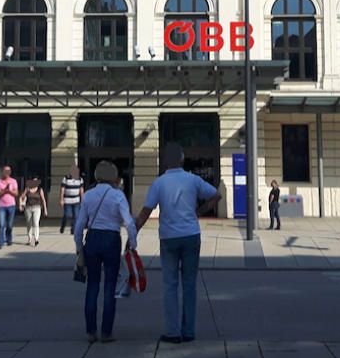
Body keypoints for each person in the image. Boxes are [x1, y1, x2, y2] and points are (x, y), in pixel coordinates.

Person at [135, 143, 222, 345]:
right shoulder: (193, 179)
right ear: (182, 159)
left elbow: (146, 211)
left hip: (169, 237)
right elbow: (216, 195)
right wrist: (200, 211)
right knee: (190, 285)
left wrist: (134, 232)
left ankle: (173, 332)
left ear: (166, 161)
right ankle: (189, 330)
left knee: (170, 285)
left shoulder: (159, 183)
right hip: (191, 234)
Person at [73, 161, 136, 343]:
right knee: (110, 286)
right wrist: (132, 243)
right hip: (111, 239)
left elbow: (79, 225)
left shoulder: (89, 195)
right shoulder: (118, 195)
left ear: (96, 175)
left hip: (92, 239)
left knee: (92, 286)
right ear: (114, 176)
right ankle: (106, 332)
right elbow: (129, 222)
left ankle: (91, 331)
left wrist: (79, 248)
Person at [0, 165, 19, 249]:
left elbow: (16, 194)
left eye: (9, 171)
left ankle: (9, 239)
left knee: (9, 225)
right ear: (2, 172)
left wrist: (9, 191)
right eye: (5, 171)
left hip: (11, 205)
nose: (7, 173)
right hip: (1, 206)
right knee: (1, 224)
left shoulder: (14, 181)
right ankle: (0, 242)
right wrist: (5, 190)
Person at [20, 177, 48, 247]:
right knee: (29, 223)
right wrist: (21, 204)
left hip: (37, 208)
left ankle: (36, 239)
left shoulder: (39, 190)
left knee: (36, 223)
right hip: (28, 208)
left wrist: (45, 209)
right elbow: (22, 197)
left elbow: (43, 200)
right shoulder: (27, 189)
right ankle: (29, 238)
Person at [59, 166, 85, 234]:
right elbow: (62, 189)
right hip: (67, 200)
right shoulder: (66, 178)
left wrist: (83, 200)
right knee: (66, 215)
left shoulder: (80, 179)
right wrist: (61, 199)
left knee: (76, 215)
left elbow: (81, 190)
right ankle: (62, 226)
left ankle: (73, 230)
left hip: (76, 200)